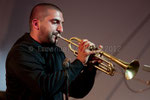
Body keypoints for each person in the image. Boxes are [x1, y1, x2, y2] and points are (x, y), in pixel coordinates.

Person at [5, 3, 98, 100]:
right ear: (36, 24)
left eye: (61, 23)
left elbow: (76, 90)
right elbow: (44, 87)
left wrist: (90, 67)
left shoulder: (55, 52)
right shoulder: (20, 52)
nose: (61, 29)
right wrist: (79, 62)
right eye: (55, 22)